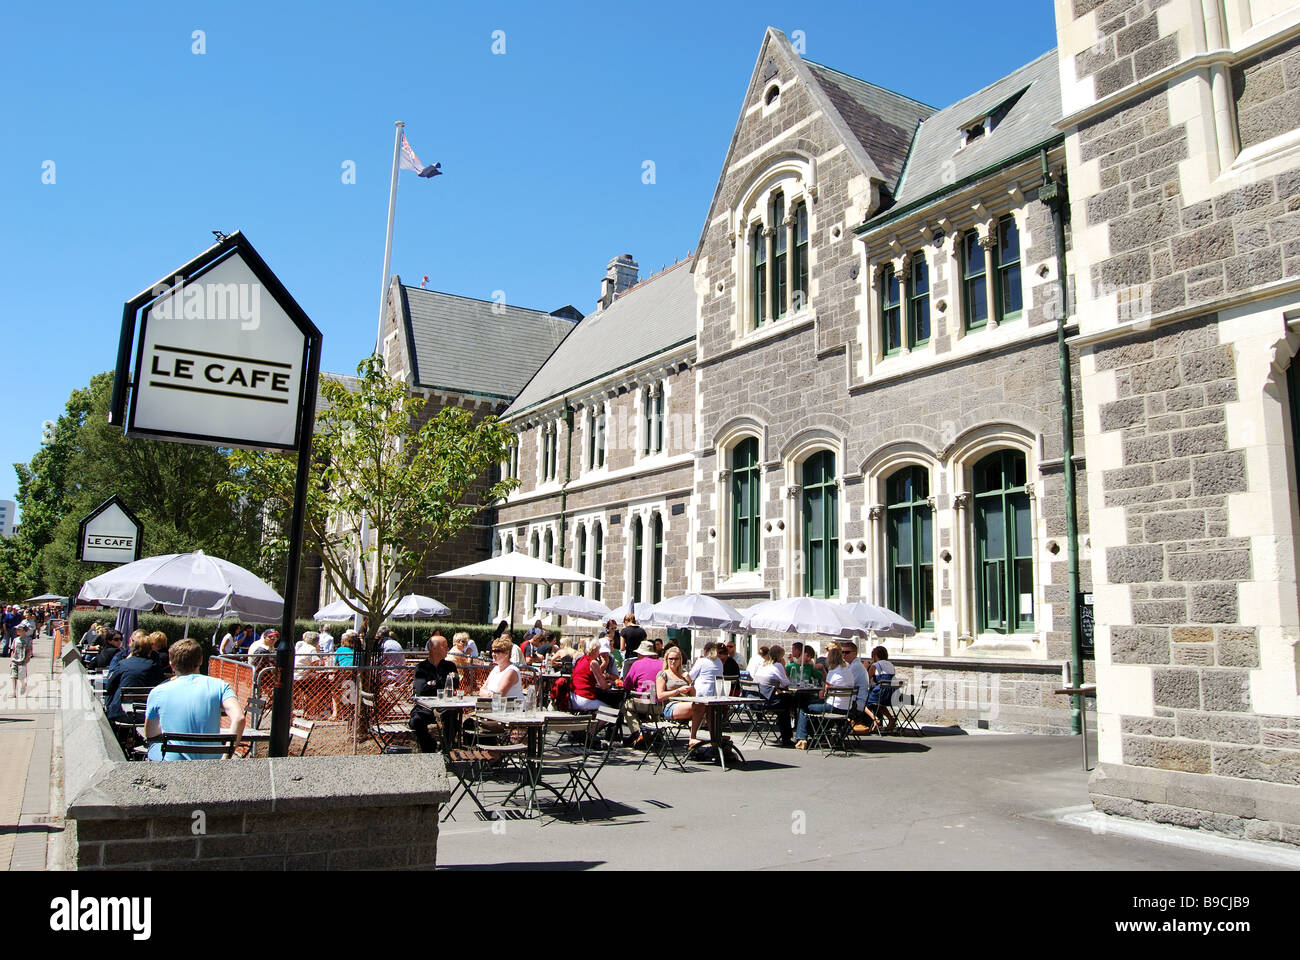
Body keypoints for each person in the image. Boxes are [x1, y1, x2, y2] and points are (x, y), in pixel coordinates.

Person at [144, 639, 245, 761]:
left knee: (153, 746)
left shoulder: (157, 692)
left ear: (171, 664)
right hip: (212, 760)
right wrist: (226, 755)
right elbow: (239, 718)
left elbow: (150, 734)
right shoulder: (220, 686)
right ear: (201, 660)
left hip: (172, 761)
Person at [794, 644, 855, 750]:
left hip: (833, 707)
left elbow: (823, 693)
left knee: (804, 707)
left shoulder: (833, 673)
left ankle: (801, 738)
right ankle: (821, 737)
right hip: (847, 708)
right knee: (814, 706)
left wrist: (821, 692)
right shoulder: (848, 671)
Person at [409, 636, 460, 752]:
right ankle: (429, 749)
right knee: (416, 720)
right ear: (433, 648)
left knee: (453, 718)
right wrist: (444, 682)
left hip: (445, 706)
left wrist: (432, 684)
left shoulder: (450, 666)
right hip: (425, 707)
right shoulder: (421, 668)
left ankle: (446, 750)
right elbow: (420, 689)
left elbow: (455, 683)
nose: (447, 648)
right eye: (444, 645)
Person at [104, 632, 165, 721]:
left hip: (120, 712)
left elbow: (109, 687)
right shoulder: (155, 667)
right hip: (147, 714)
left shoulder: (122, 664)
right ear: (149, 650)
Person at [656, 646, 708, 748]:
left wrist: (689, 683)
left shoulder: (683, 674)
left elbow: (693, 695)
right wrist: (678, 691)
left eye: (676, 659)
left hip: (687, 703)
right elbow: (660, 695)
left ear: (680, 660)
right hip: (671, 706)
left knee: (711, 708)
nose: (673, 661)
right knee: (699, 706)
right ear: (666, 659)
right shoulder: (663, 674)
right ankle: (692, 738)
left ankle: (715, 737)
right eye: (671, 659)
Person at [752, 644, 796, 746]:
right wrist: (783, 667)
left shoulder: (763, 665)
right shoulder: (778, 666)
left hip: (757, 700)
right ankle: (787, 736)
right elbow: (786, 683)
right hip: (767, 701)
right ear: (780, 657)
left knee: (785, 701)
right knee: (787, 702)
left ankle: (787, 731)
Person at [570, 637, 622, 711]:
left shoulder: (579, 660)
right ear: (594, 651)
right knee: (612, 711)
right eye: (598, 650)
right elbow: (603, 686)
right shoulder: (593, 663)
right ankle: (596, 723)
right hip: (585, 699)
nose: (599, 653)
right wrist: (610, 684)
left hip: (573, 697)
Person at [841, 641, 872, 732]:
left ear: (855, 653)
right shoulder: (852, 665)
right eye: (842, 652)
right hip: (853, 702)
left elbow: (845, 684)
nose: (844, 655)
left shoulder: (856, 667)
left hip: (855, 705)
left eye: (847, 652)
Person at [866, 645, 898, 732]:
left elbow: (867, 678)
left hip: (881, 690)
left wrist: (867, 667)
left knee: (865, 701)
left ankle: (875, 719)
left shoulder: (875, 665)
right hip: (892, 692)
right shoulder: (890, 664)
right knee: (878, 703)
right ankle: (890, 719)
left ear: (876, 655)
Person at [9, 622, 32, 699]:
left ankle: (23, 685)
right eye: (16, 629)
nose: (17, 631)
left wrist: (26, 659)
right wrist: (11, 660)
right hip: (15, 660)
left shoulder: (28, 639)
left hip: (22, 660)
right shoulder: (15, 639)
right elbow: (13, 650)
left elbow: (29, 650)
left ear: (23, 630)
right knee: (14, 676)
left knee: (21, 677)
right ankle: (14, 692)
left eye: (18, 629)